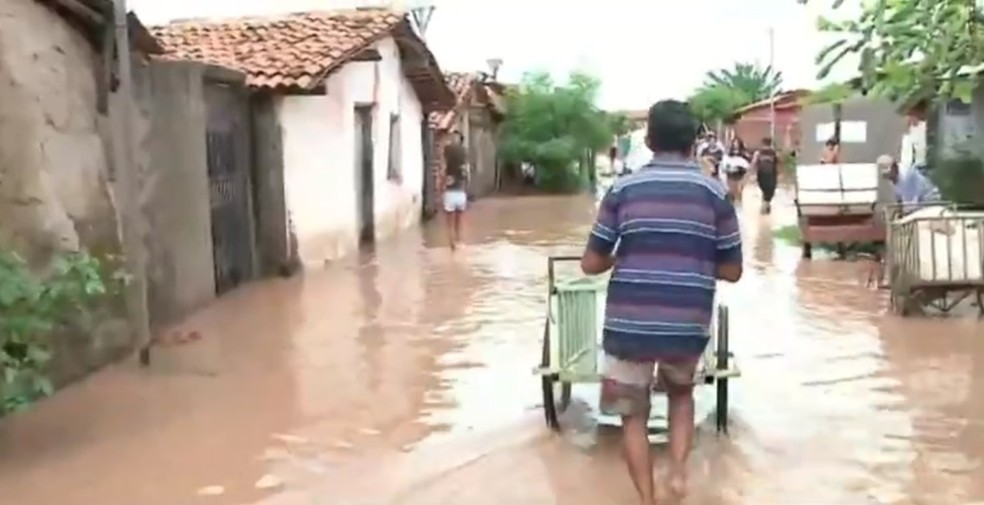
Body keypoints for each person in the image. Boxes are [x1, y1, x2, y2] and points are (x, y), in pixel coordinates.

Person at [580, 100, 743, 505]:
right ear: (693, 143)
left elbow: (590, 264)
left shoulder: (623, 189)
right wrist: (694, 259)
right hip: (686, 322)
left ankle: (647, 500)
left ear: (649, 141)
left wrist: (624, 257)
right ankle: (678, 473)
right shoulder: (716, 193)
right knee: (681, 396)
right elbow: (733, 271)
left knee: (632, 416)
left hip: (629, 323)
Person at [442, 131, 469, 250]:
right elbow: (467, 174)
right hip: (461, 192)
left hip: (450, 193)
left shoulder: (447, 150)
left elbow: (443, 169)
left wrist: (441, 187)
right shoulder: (464, 153)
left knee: (449, 223)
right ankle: (459, 241)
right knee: (459, 221)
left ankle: (452, 244)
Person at [751, 137, 780, 214]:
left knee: (766, 190)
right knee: (769, 190)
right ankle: (765, 206)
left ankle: (765, 206)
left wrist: (752, 173)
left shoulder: (761, 153)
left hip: (765, 174)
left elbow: (754, 163)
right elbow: (779, 163)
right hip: (768, 174)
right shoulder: (771, 153)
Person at [721, 137, 750, 203]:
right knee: (731, 194)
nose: (735, 147)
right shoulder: (727, 156)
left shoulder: (744, 156)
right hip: (730, 177)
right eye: (734, 145)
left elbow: (748, 168)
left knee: (738, 195)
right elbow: (724, 168)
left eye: (737, 145)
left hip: (740, 177)